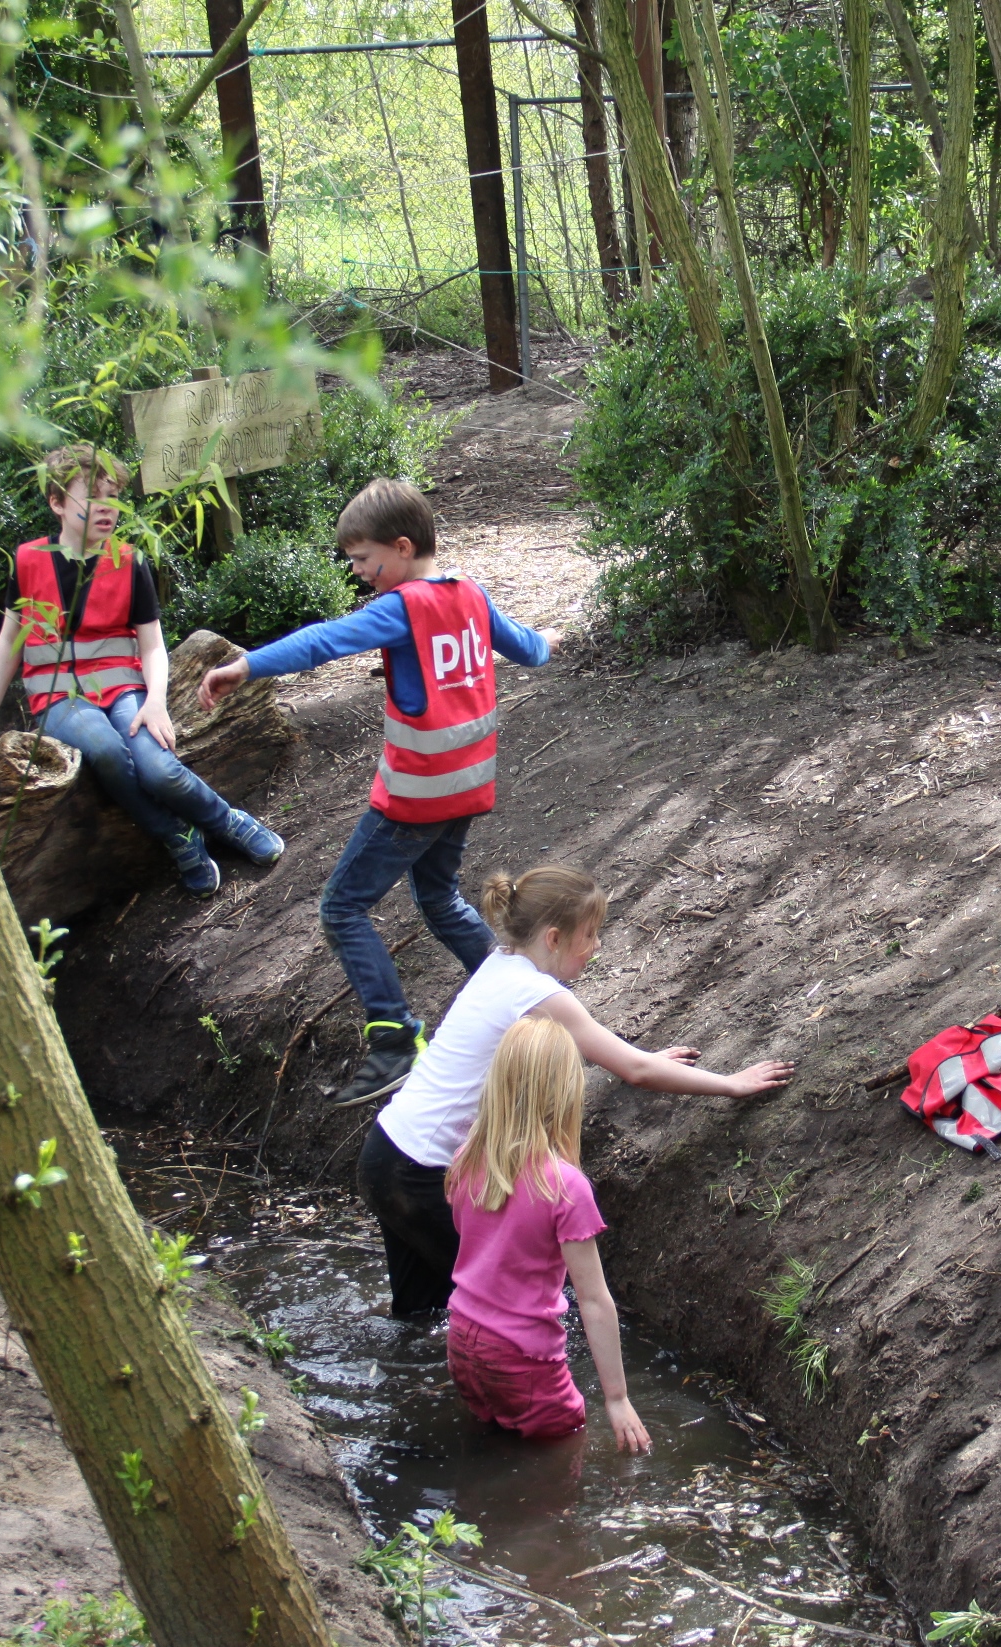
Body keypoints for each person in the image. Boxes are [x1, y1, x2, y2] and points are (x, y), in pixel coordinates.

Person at [199, 479, 554, 1103]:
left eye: (363, 560)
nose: (359, 573)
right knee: (439, 897)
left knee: (341, 906)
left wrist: (245, 664)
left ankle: (394, 1039)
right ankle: (525, 1004)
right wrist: (547, 641)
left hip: (418, 796)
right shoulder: (470, 593)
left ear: (400, 546)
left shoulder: (403, 606)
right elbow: (525, 647)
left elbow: (323, 641)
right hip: (470, 787)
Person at [359, 865, 793, 1317]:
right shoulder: (538, 993)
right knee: (514, 1310)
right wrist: (730, 1084)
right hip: (421, 1173)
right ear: (553, 938)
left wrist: (641, 1059)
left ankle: (418, 1384)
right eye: (590, 933)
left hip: (384, 1152)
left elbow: (624, 1060)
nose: (597, 945)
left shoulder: (501, 963)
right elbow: (637, 1070)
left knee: (421, 1315)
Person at [0, 443, 284, 896]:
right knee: (106, 751)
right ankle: (176, 834)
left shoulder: (129, 561)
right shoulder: (30, 560)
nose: (106, 508)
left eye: (112, 497)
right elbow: (9, 643)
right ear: (56, 503)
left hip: (122, 689)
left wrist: (155, 702)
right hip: (57, 697)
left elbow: (151, 645)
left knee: (159, 770)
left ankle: (226, 820)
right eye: (91, 498)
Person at [445, 1015, 650, 1451]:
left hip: (462, 1337)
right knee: (562, 1452)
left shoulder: (466, 1159)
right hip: (523, 1357)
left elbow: (474, 1243)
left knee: (494, 1445)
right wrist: (617, 1399)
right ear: (565, 1094)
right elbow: (593, 1300)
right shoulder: (564, 1185)